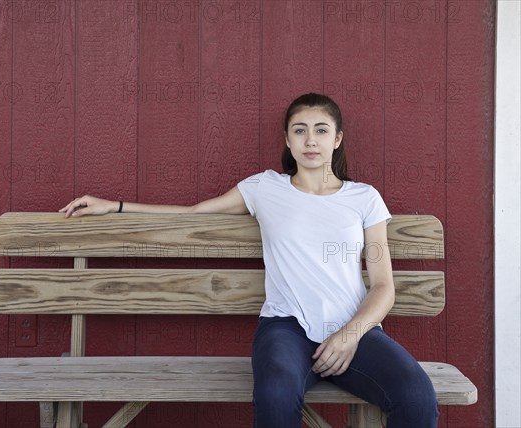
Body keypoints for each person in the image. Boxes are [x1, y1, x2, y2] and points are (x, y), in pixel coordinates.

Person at [59, 93, 439, 427]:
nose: (311, 140)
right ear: (287, 140)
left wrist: (350, 335)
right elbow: (193, 214)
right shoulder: (264, 188)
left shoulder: (364, 199)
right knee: (275, 393)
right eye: (300, 130)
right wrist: (116, 206)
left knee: (417, 397)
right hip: (285, 329)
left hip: (354, 328)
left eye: (321, 130)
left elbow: (384, 286)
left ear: (337, 140)